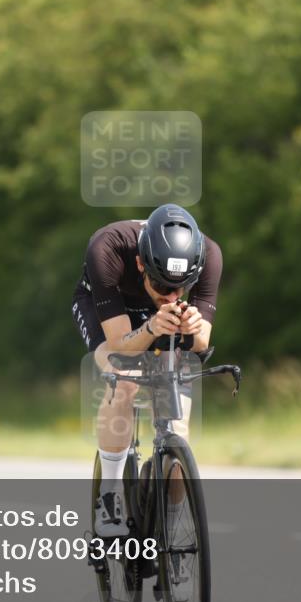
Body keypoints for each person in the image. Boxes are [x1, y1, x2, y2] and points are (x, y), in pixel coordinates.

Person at [72, 204, 222, 538]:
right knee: (124, 380)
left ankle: (164, 521)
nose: (170, 296)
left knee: (178, 434)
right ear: (141, 263)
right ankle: (109, 497)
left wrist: (193, 328)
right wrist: (153, 326)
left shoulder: (209, 254)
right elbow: (119, 345)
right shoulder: (107, 248)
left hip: (156, 324)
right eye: (161, 286)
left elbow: (201, 344)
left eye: (179, 288)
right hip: (112, 313)